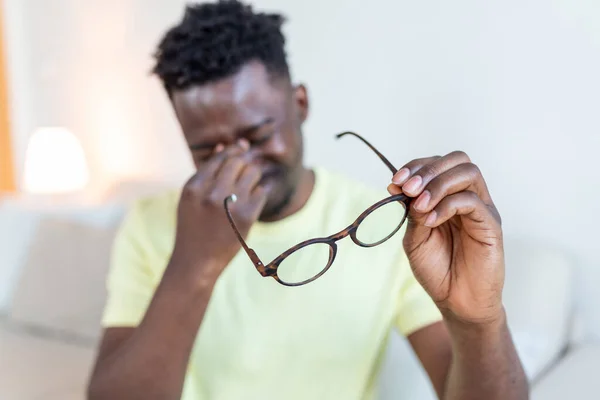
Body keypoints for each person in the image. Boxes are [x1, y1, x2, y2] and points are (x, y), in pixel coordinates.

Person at [87, 1, 528, 399]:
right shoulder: (150, 222)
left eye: (258, 135)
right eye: (208, 152)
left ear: (299, 104)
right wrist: (193, 265)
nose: (241, 164)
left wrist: (478, 321)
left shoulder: (389, 224)